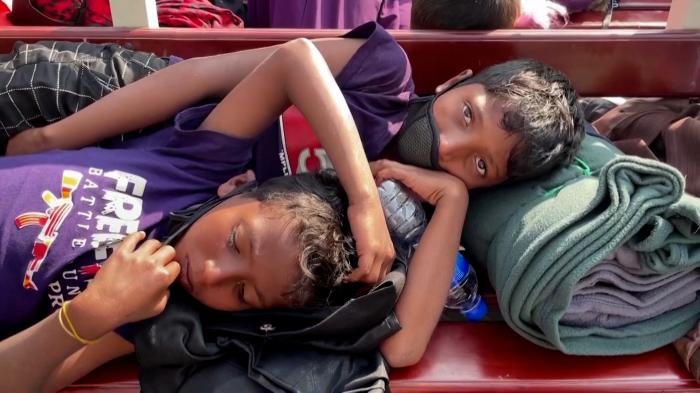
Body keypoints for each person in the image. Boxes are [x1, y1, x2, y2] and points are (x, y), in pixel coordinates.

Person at [3, 19, 583, 382]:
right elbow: (240, 70)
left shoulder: (404, 227)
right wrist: (52, 137)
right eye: (466, 115)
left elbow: (403, 344)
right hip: (139, 124)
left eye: (478, 165)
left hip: (159, 240)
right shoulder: (382, 85)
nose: (451, 147)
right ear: (459, 81)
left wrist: (451, 200)